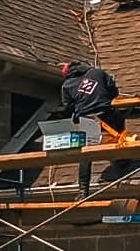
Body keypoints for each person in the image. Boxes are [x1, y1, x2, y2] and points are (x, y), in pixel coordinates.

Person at [59, 61, 129, 195]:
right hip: (105, 113)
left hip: (87, 118)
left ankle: (83, 189)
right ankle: (122, 160)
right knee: (118, 132)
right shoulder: (97, 73)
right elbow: (113, 91)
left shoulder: (67, 85)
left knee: (87, 152)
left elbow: (68, 107)